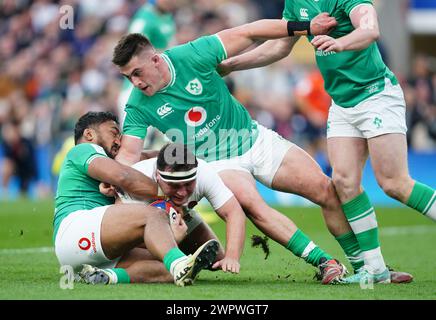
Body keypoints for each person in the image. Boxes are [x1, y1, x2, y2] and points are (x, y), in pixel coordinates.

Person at [111, 16, 352, 285]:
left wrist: (306, 27)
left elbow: (249, 32)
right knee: (253, 205)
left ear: (155, 59)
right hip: (219, 163)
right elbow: (129, 155)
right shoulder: (137, 104)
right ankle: (325, 262)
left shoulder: (192, 55)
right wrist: (110, 179)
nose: (135, 83)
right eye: (127, 77)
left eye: (137, 73)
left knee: (325, 189)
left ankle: (367, 267)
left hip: (254, 137)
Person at [218, 0, 432, 283]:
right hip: (342, 104)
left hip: (376, 95)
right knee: (343, 183)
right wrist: (232, 64)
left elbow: (370, 30)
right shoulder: (295, 3)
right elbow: (279, 46)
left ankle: (374, 268)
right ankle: (376, 269)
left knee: (394, 184)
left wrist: (340, 43)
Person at [53, 111, 219, 286]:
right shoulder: (83, 149)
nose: (119, 140)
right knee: (153, 215)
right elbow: (124, 176)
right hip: (75, 229)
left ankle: (107, 276)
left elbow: (152, 156)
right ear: (89, 134)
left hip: (88, 253)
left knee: (165, 267)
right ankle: (179, 263)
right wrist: (168, 195)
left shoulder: (113, 160)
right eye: (114, 132)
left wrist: (190, 156)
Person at [108, 142, 246, 278]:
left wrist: (232, 257)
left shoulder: (204, 173)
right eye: (174, 185)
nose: (182, 192)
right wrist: (171, 238)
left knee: (216, 259)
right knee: (141, 262)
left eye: (188, 184)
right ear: (157, 176)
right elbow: (119, 237)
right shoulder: (137, 178)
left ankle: (179, 256)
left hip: (181, 214)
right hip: (139, 229)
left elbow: (234, 212)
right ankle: (177, 257)